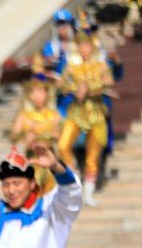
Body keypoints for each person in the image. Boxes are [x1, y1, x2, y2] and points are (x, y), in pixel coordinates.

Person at [57, 31, 113, 207]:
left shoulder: (100, 65)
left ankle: (88, 193)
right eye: (81, 45)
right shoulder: (72, 66)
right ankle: (75, 184)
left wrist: (90, 88)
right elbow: (61, 84)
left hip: (95, 113)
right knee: (63, 145)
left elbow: (109, 81)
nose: (84, 49)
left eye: (87, 45)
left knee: (93, 154)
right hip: (76, 112)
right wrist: (74, 88)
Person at [9, 61, 61, 194]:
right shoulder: (24, 116)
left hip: (50, 162)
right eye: (33, 92)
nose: (36, 96)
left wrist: (54, 135)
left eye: (40, 92)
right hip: (30, 162)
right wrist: (26, 136)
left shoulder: (53, 115)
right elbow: (14, 136)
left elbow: (62, 137)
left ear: (46, 93)